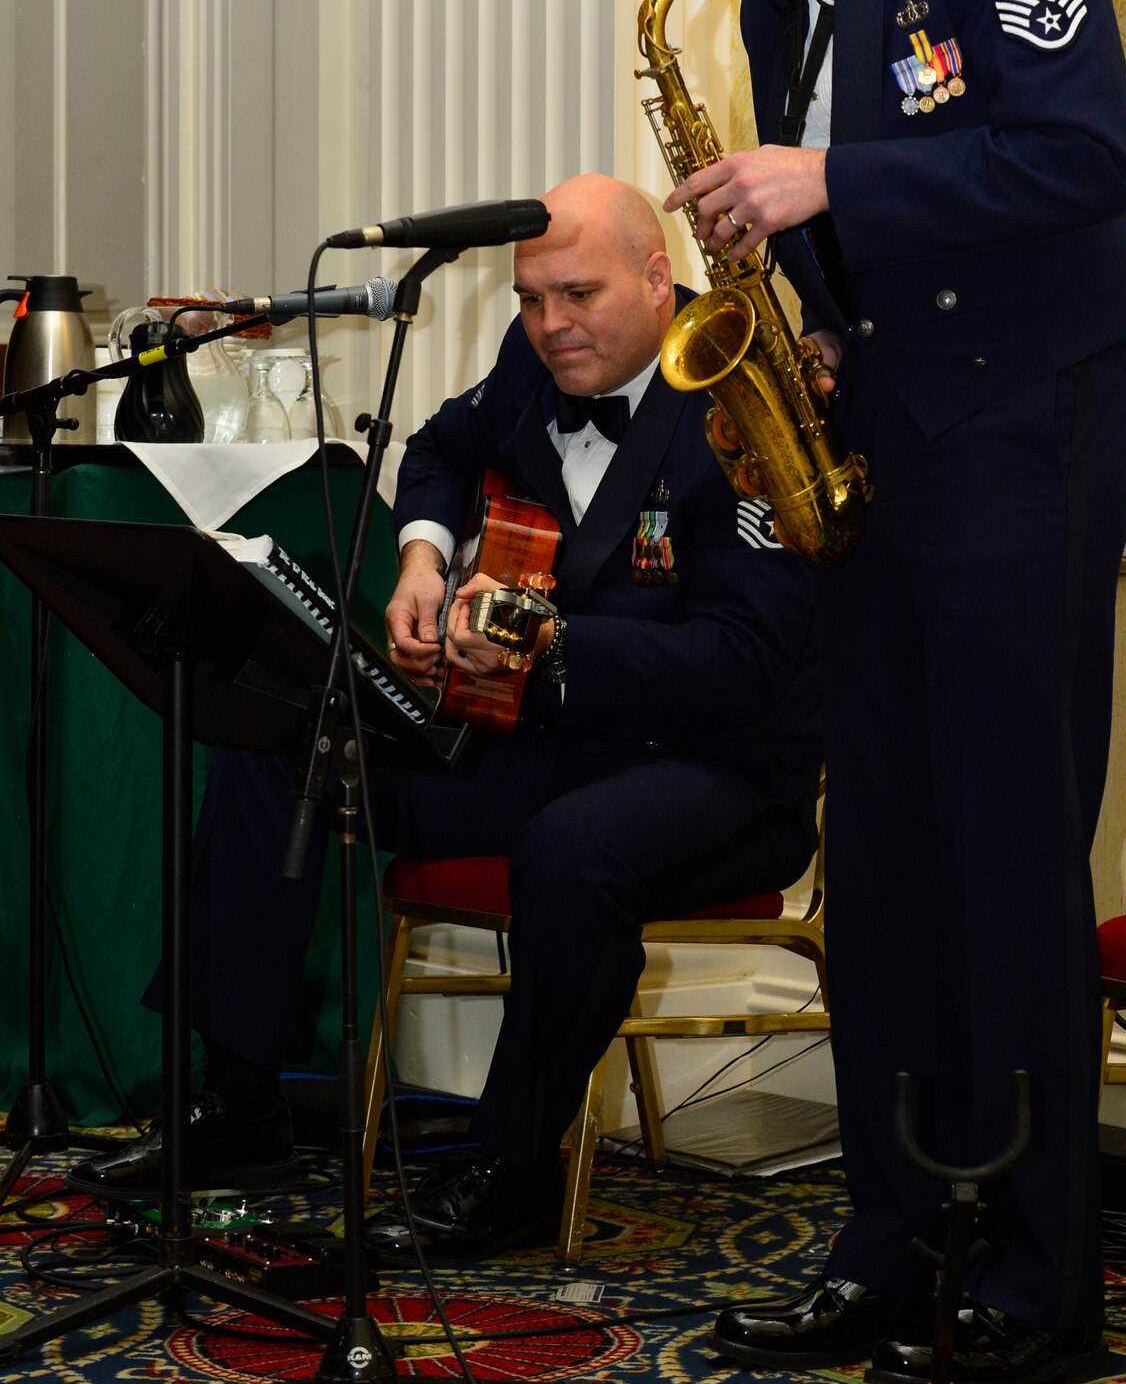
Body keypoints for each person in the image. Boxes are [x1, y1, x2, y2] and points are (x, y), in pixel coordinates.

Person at [660, 0, 1126, 1384]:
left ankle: (1040, 1284)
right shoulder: (771, 1)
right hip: (881, 438)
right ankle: (888, 1250)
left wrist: (829, 188)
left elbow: (1077, 160)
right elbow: (845, 232)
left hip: (1028, 421)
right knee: (871, 859)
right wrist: (801, 318)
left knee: (1006, 853)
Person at [71, 173, 821, 1256]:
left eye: (578, 293)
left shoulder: (741, 403)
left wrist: (550, 638)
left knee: (574, 851)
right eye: (530, 298)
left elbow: (746, 665)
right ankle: (241, 1101)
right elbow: (437, 448)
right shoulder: (538, 360)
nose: (550, 324)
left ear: (660, 279)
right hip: (544, 739)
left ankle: (511, 1164)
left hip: (716, 769)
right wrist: (422, 556)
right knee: (286, 737)